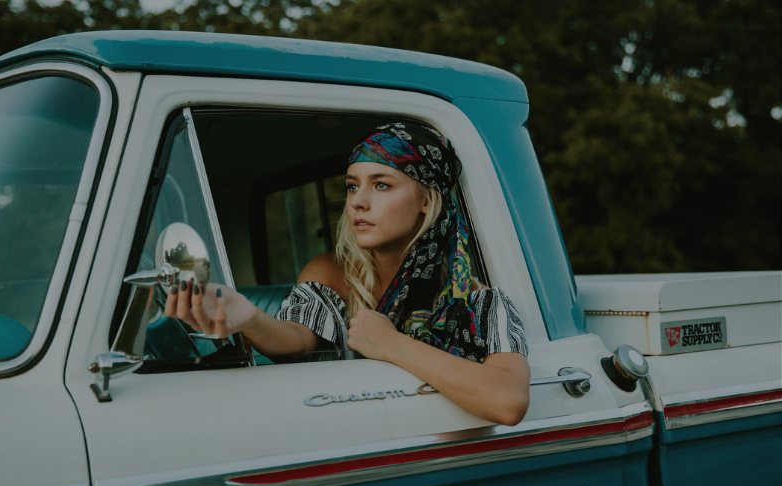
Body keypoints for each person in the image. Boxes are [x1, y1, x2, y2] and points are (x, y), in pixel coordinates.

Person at [165, 122, 530, 426]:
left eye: (381, 184)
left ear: (426, 200)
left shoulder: (479, 301)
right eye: (353, 185)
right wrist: (249, 317)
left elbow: (508, 401)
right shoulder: (329, 273)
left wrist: (392, 344)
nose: (357, 201)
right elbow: (297, 338)